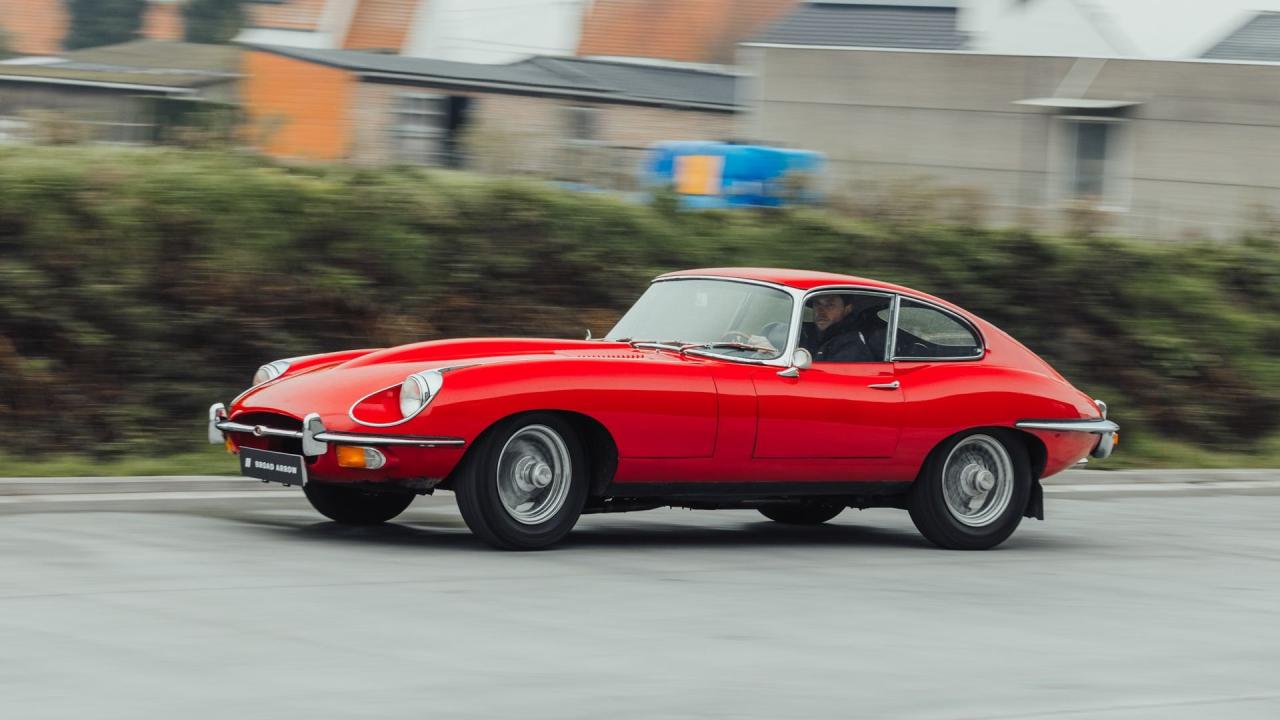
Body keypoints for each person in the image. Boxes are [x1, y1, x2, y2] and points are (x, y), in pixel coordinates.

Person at [800, 294, 876, 362]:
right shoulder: (801, 333)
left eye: (830, 305)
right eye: (817, 304)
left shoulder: (851, 344)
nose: (821, 311)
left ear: (847, 310)